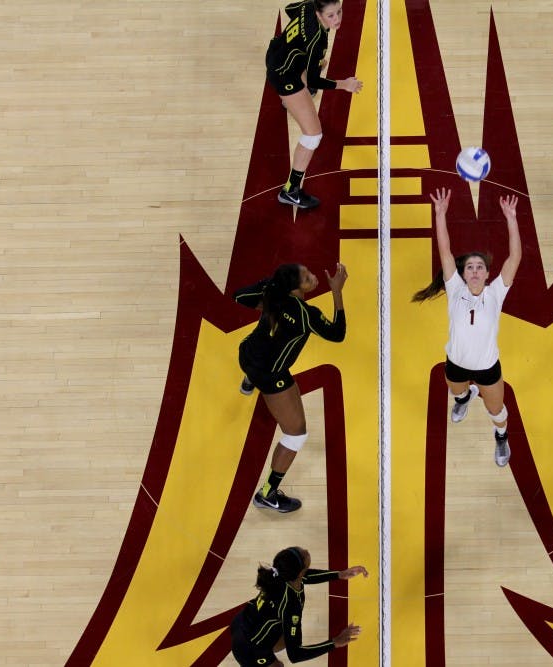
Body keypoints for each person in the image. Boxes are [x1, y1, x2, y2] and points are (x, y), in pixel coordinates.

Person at [412, 187, 522, 466]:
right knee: (457, 392)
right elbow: (445, 251)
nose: (474, 270)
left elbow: (514, 259)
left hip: (487, 368)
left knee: (496, 411)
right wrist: (440, 214)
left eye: (479, 267)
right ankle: (464, 398)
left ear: (487, 274)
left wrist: (511, 218)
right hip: (456, 363)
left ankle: (501, 436)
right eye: (470, 267)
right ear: (462, 274)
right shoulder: (455, 290)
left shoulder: (495, 293)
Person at [234, 262, 347, 512]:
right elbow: (337, 333)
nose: (313, 277)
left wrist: (268, 286)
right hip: (270, 376)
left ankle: (248, 380)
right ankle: (267, 494)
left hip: (246, 354)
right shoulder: (306, 315)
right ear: (295, 288)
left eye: (309, 272)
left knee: (260, 349)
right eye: (307, 278)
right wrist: (337, 292)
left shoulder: (272, 293)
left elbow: (239, 296)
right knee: (296, 434)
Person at [266, 0, 363, 210]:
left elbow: (290, 9)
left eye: (339, 12)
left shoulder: (308, 5)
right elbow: (313, 80)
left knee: (316, 63)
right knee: (313, 135)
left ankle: (292, 101)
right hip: (284, 75)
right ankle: (290, 190)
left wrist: (301, 43)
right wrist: (344, 84)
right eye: (331, 15)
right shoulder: (317, 39)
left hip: (276, 52)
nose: (337, 19)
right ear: (319, 14)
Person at [229, 546, 367, 666]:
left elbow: (305, 576)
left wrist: (340, 574)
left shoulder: (281, 574)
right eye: (303, 555)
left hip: (245, 622)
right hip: (249, 647)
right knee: (279, 665)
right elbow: (295, 655)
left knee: (284, 639)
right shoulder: (290, 605)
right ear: (300, 572)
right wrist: (335, 642)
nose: (305, 550)